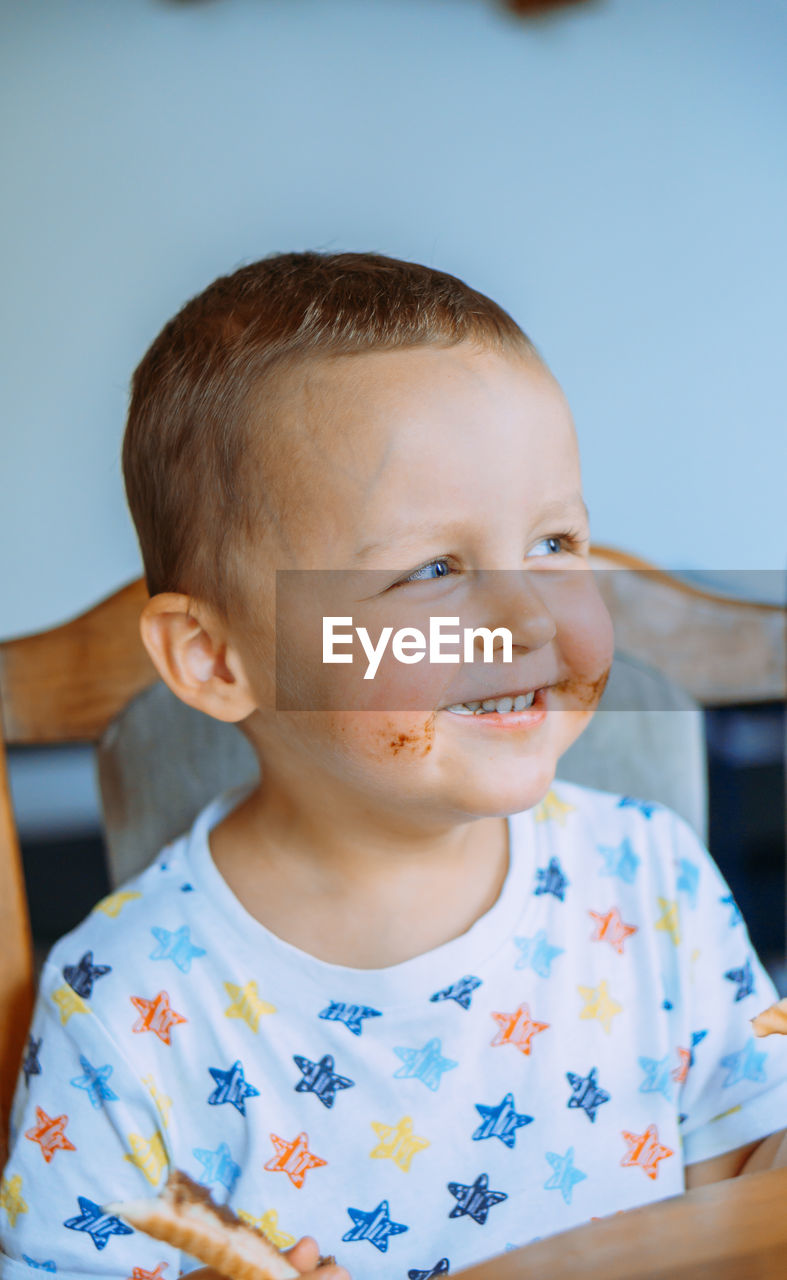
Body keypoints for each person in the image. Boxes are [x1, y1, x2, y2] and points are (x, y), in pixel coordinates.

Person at [2, 252, 786, 1280]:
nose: (530, 614)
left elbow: (745, 1185)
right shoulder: (122, 1003)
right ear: (216, 657)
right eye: (431, 569)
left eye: (555, 542)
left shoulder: (651, 881)